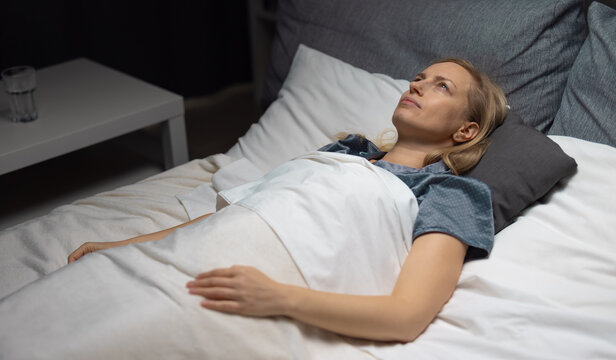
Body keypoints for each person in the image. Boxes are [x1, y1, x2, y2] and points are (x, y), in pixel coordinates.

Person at [67, 58, 507, 343]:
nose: (417, 84)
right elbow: (239, 215)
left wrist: (278, 298)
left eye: (441, 86)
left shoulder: (450, 193)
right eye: (419, 77)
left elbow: (407, 315)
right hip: (197, 254)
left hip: (264, 288)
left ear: (466, 131)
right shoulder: (344, 154)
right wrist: (127, 247)